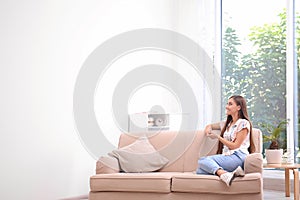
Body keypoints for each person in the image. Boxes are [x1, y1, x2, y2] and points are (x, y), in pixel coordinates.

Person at [196, 95, 255, 187]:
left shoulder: (243, 123)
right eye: (227, 104)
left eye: (230, 104)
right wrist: (208, 130)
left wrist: (218, 137)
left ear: (238, 107)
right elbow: (209, 126)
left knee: (203, 160)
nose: (227, 106)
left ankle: (224, 174)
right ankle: (230, 173)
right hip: (228, 157)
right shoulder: (227, 123)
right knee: (200, 171)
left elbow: (234, 146)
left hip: (238, 156)